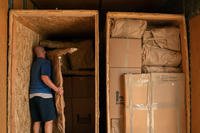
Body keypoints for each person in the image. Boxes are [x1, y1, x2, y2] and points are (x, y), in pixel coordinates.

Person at [29, 46, 63, 133]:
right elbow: (44, 77)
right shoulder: (45, 62)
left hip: (33, 96)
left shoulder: (35, 64)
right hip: (44, 96)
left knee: (37, 121)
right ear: (44, 52)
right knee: (48, 122)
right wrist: (57, 89)